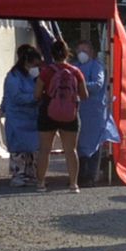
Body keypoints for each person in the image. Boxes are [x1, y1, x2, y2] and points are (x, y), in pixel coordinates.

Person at [34, 39, 89, 191]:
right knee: (71, 150)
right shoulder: (76, 72)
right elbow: (84, 95)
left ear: (51, 54)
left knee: (45, 149)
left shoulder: (46, 72)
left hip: (48, 112)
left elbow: (37, 94)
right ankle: (73, 184)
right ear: (67, 54)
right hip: (70, 114)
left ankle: (41, 183)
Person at [73, 38, 118, 188]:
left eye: (84, 51)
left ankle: (91, 176)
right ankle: (80, 175)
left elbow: (98, 85)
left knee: (94, 144)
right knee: (79, 144)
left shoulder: (96, 66)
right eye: (79, 51)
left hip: (95, 110)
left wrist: (79, 85)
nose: (81, 54)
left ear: (91, 52)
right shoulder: (75, 66)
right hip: (80, 110)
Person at [2, 45, 41, 187]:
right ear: (26, 62)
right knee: (18, 150)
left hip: (31, 117)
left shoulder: (32, 77)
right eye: (34, 64)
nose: (36, 67)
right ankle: (17, 175)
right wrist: (35, 97)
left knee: (32, 149)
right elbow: (16, 97)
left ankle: (32, 175)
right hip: (17, 118)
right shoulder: (13, 77)